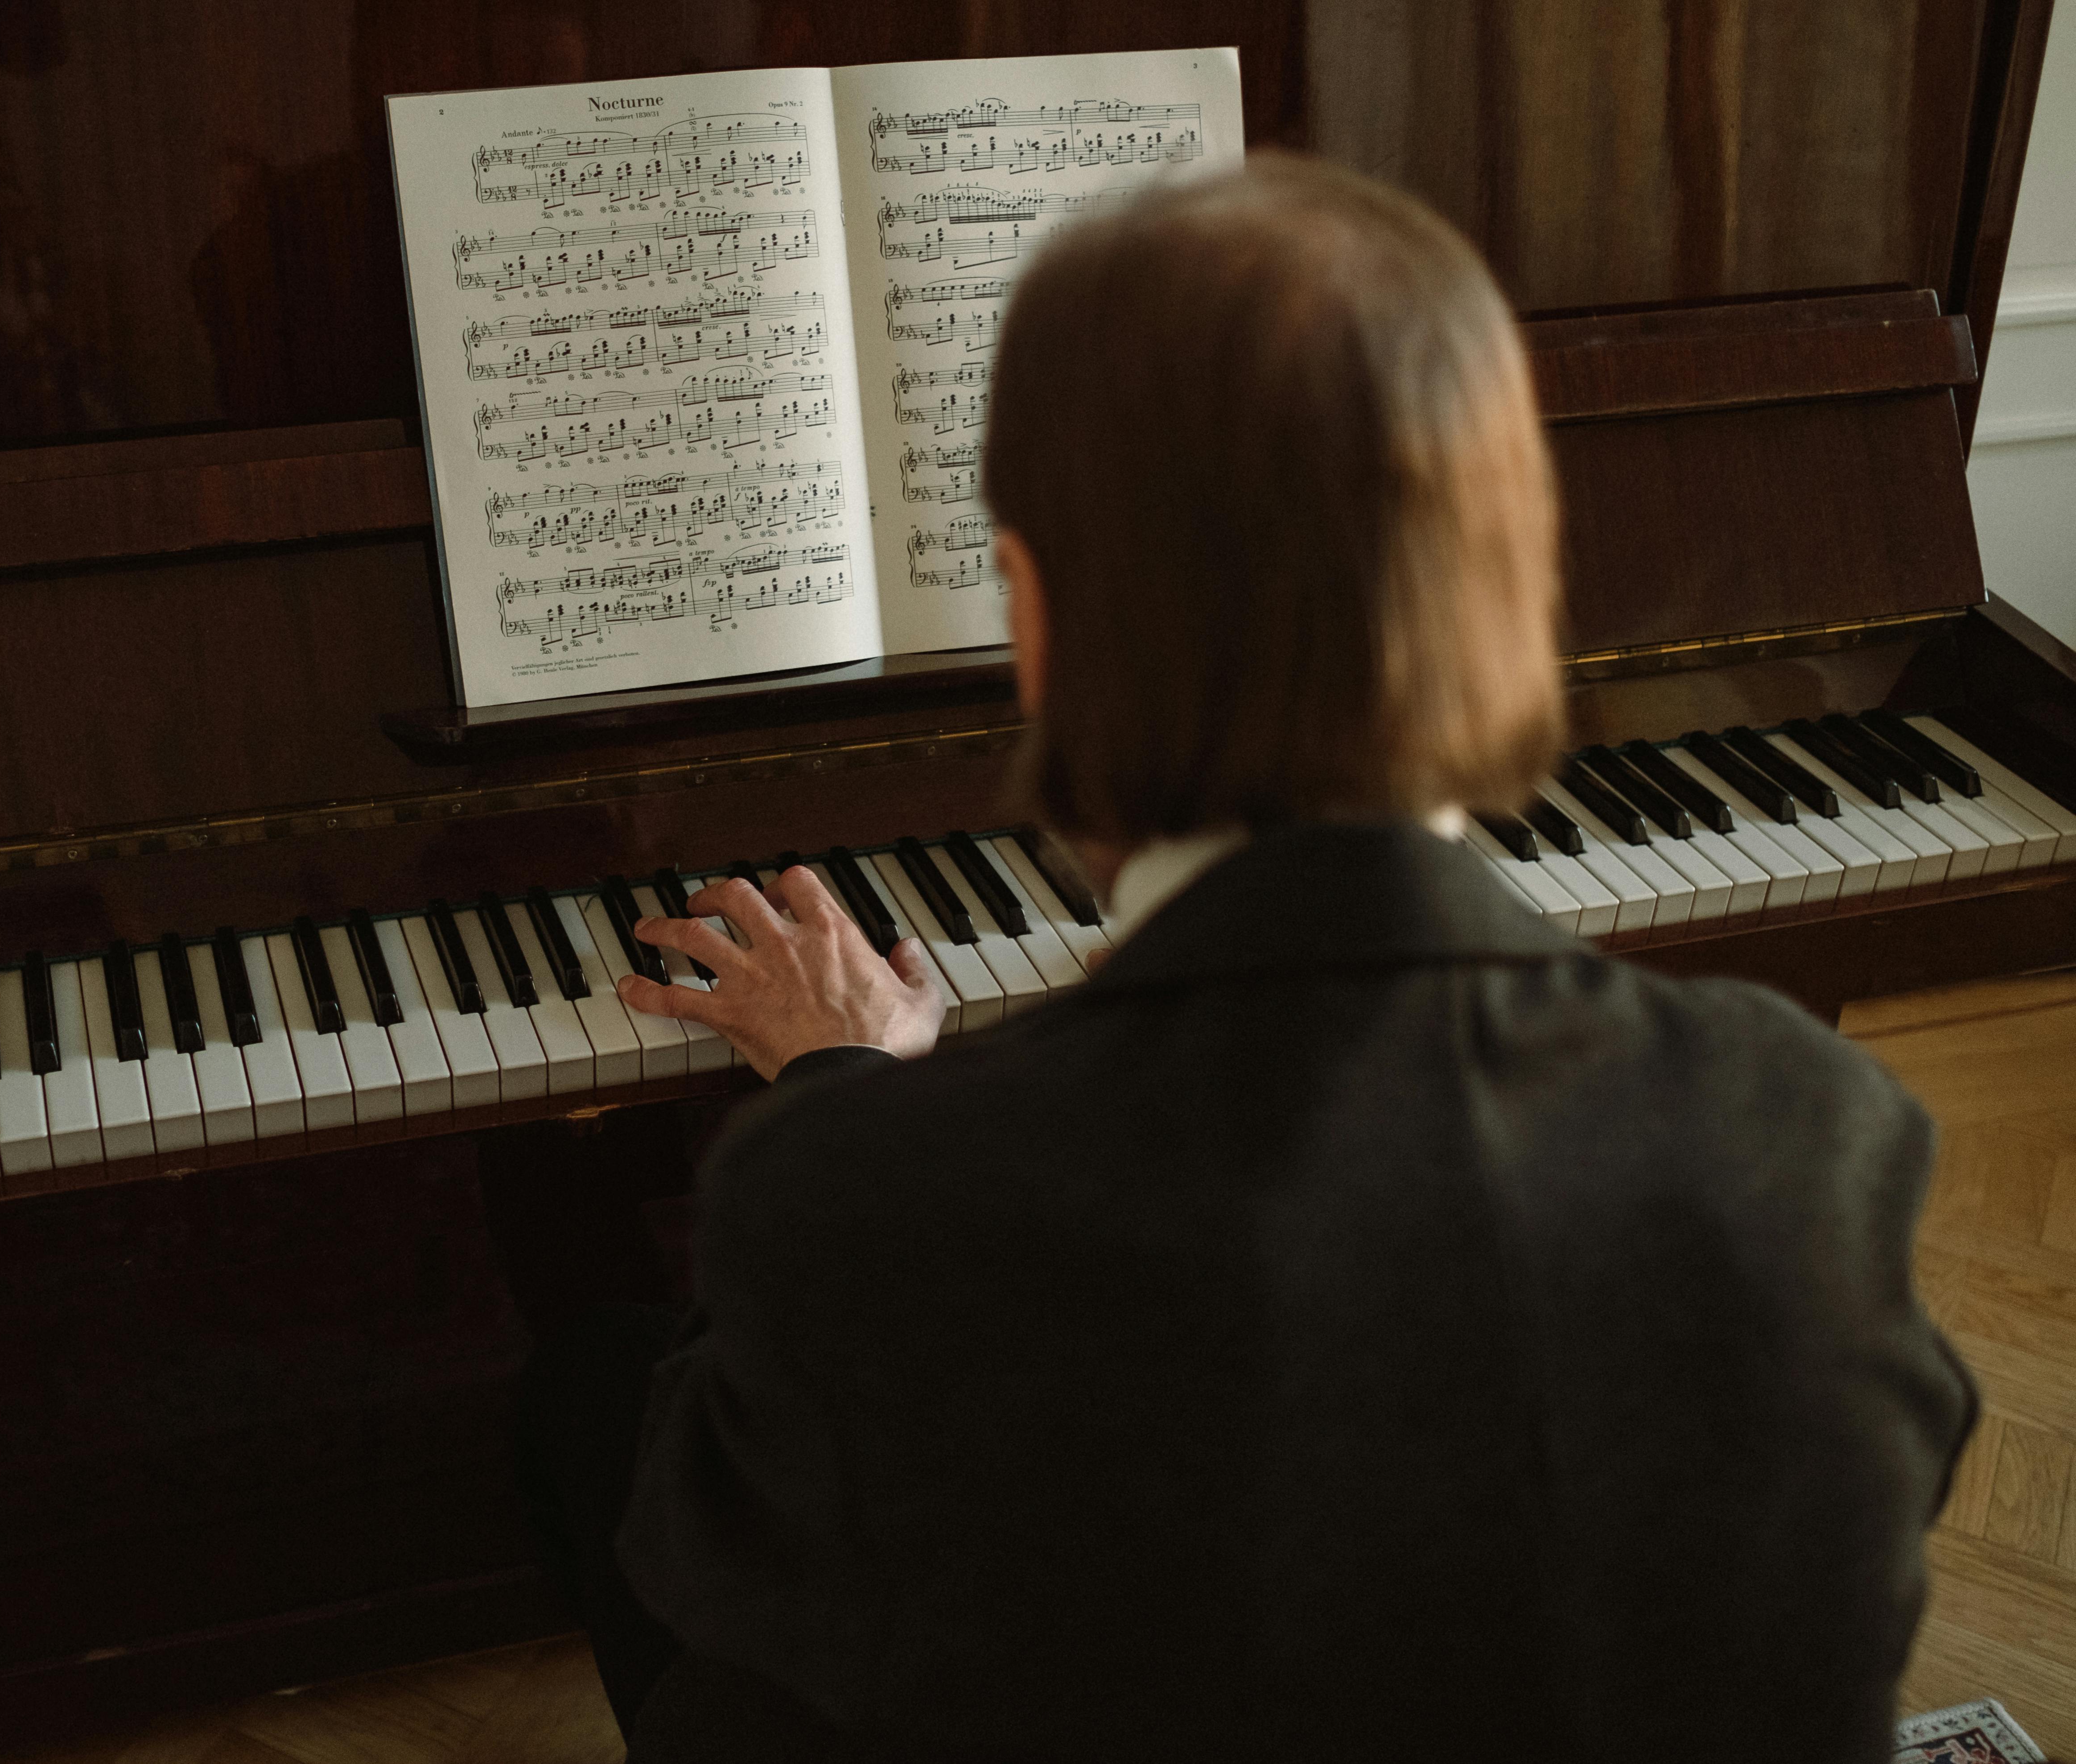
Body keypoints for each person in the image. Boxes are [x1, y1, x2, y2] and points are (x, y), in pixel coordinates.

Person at [514, 152, 1974, 1763]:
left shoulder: (854, 1201)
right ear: (1507, 580)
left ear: (1039, 616)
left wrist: (863, 1097)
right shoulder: (1817, 1137)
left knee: (603, 1389)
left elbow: (729, 1596)